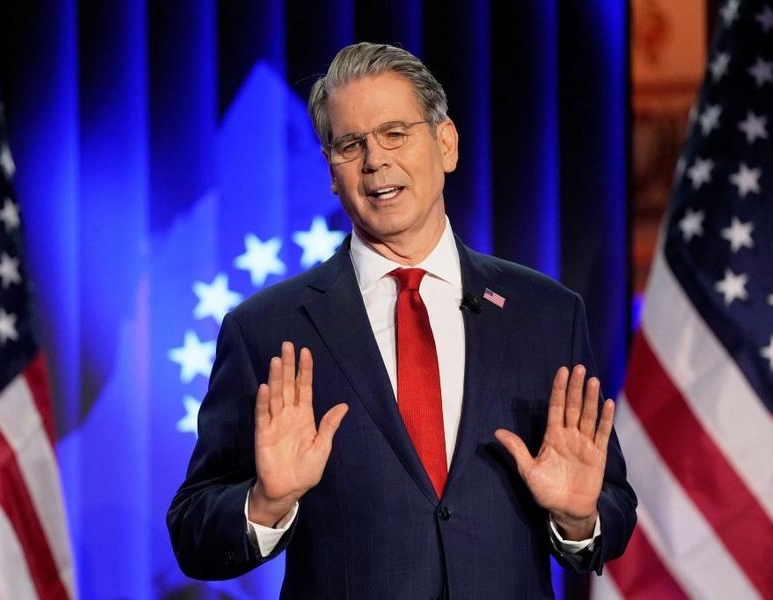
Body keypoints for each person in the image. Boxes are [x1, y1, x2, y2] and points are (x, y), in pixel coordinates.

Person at [167, 42, 636, 599]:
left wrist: (579, 519)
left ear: (446, 144)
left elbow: (612, 504)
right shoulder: (266, 330)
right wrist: (266, 504)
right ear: (331, 172)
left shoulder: (546, 313)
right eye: (351, 144)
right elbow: (193, 530)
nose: (374, 160)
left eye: (394, 133)